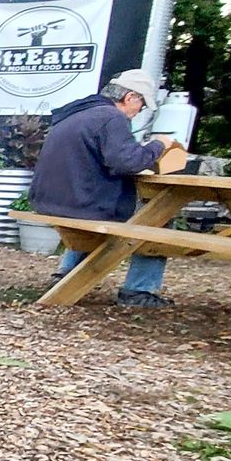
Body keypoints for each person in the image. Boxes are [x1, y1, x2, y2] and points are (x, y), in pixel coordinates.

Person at [30, 70, 176, 307]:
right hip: (81, 205)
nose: (140, 111)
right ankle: (138, 291)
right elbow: (128, 162)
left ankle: (67, 274)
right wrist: (159, 145)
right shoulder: (112, 118)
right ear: (130, 97)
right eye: (141, 105)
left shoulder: (78, 113)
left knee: (92, 212)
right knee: (159, 218)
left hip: (50, 201)